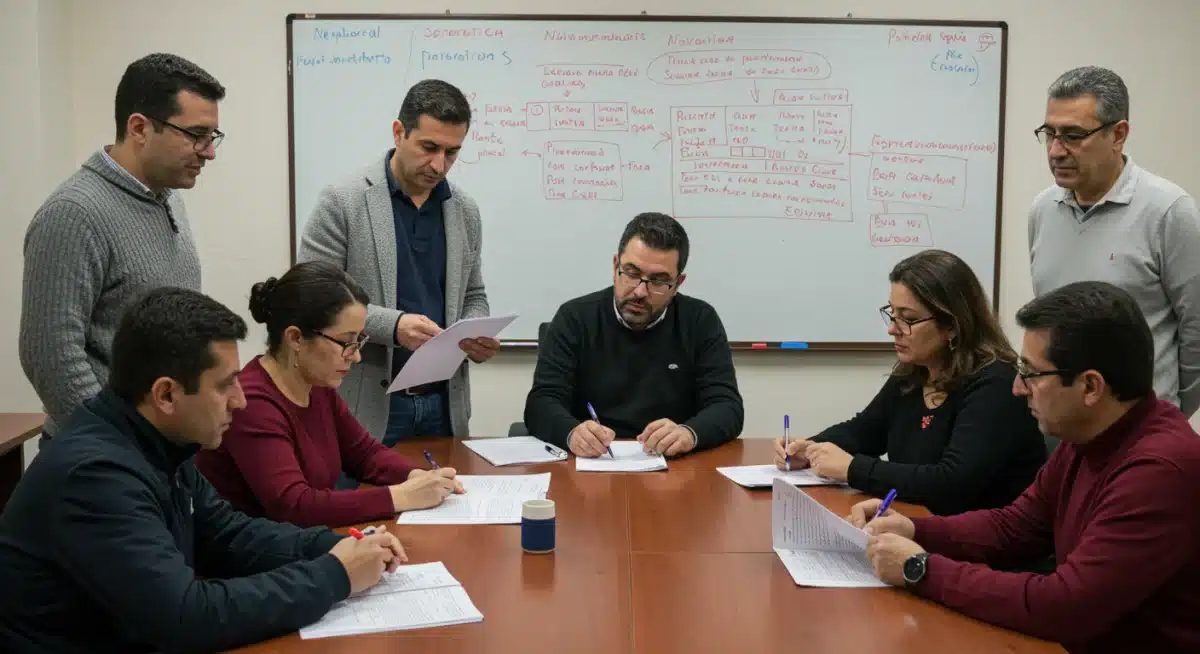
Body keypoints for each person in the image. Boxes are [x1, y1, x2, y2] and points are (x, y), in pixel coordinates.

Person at [0, 287, 409, 653]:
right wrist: (334, 574)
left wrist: (333, 546)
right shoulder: (95, 477)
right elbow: (185, 618)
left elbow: (228, 534)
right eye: (225, 385)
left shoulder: (160, 441)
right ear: (166, 394)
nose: (240, 400)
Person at [854, 281, 1200, 653]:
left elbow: (1066, 605)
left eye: (1031, 374)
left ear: (1090, 387)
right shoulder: (1088, 435)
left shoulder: (1159, 470)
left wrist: (919, 569)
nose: (1018, 388)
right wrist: (914, 528)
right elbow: (1014, 526)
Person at [19, 52, 225, 440]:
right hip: (104, 460)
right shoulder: (73, 213)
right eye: (196, 135)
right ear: (139, 128)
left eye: (212, 137)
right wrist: (117, 446)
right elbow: (50, 357)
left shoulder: (167, 196)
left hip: (160, 450)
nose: (209, 151)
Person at [773, 249, 1046, 516]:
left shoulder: (996, 384)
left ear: (952, 324)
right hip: (918, 528)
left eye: (909, 319)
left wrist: (852, 468)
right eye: (892, 314)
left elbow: (951, 483)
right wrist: (809, 449)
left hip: (981, 547)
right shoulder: (914, 371)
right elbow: (864, 431)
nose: (893, 329)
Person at [299, 78, 495, 446]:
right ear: (398, 132)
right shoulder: (342, 202)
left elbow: (474, 291)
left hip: (444, 405)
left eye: (452, 152)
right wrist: (393, 326)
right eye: (428, 147)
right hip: (366, 405)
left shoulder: (464, 210)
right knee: (366, 503)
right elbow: (312, 299)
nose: (439, 165)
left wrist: (472, 329)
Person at [196, 261, 464, 527]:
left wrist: (416, 476)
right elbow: (294, 506)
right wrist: (400, 496)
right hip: (254, 560)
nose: (356, 356)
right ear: (295, 338)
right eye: (346, 343)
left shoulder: (317, 385)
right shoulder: (252, 402)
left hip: (303, 546)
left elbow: (365, 454)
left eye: (359, 340)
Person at [1028, 65, 1200, 417]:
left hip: (1140, 432)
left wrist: (1168, 414)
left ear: (1118, 134)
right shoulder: (1043, 210)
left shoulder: (1168, 211)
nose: (1056, 151)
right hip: (1062, 429)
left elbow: (1197, 327)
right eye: (1050, 133)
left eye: (1073, 135)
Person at [524, 212, 743, 457]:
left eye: (659, 281)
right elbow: (541, 403)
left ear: (678, 283)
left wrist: (689, 433)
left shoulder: (700, 320)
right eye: (631, 273)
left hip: (673, 468)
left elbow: (727, 407)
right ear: (615, 265)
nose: (640, 291)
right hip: (591, 465)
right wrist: (572, 432)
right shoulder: (574, 318)